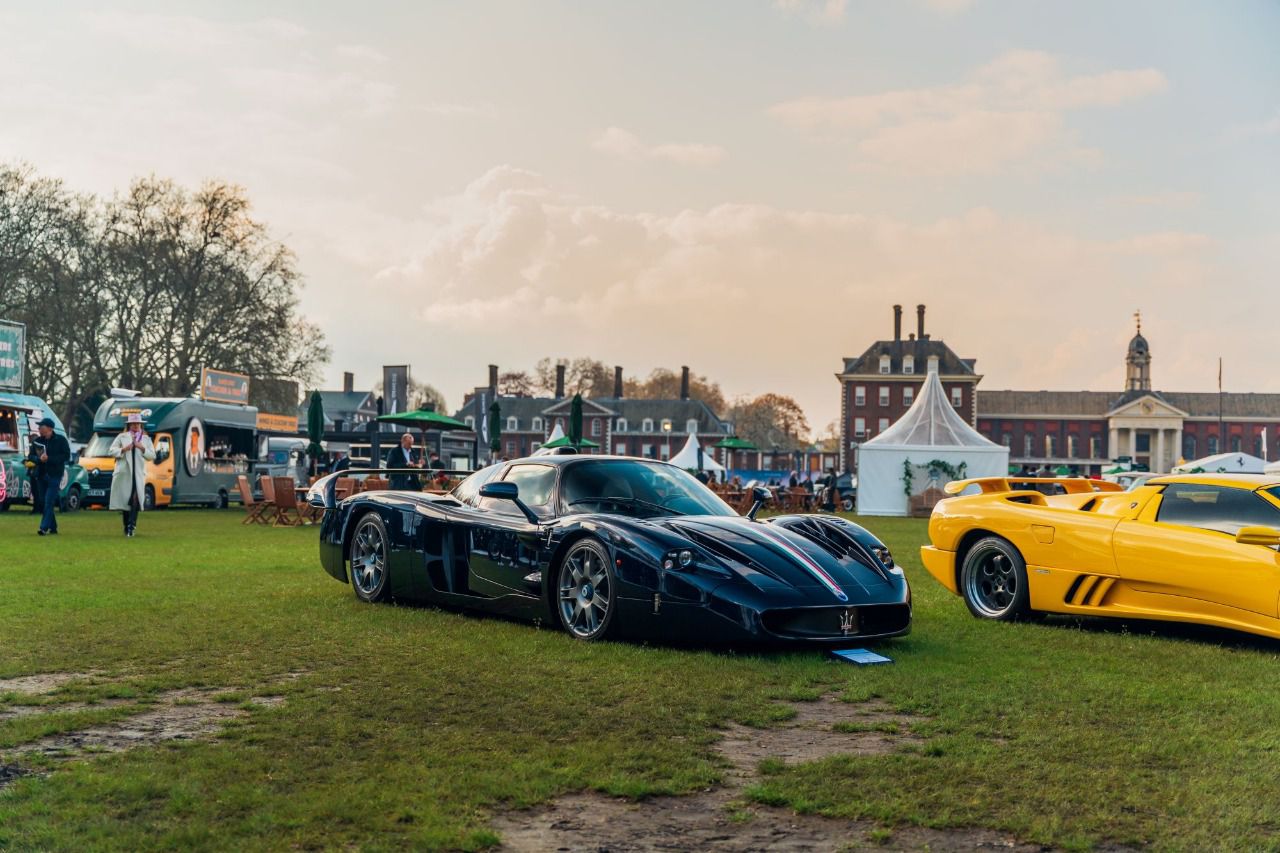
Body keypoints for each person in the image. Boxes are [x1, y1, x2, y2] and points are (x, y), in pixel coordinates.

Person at [109, 413, 155, 537]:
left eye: (138, 424)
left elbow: (152, 455)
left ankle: (131, 526)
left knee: (135, 499)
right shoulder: (122, 437)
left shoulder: (145, 439)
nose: (136, 426)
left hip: (138, 474)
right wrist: (124, 449)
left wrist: (142, 448)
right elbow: (111, 451)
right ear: (129, 425)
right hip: (125, 474)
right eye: (133, 424)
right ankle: (126, 525)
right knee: (126, 501)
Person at [35, 418, 70, 536]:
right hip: (41, 474)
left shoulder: (61, 440)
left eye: (41, 426)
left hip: (55, 475)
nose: (39, 429)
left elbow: (66, 456)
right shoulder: (37, 441)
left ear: (49, 428)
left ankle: (43, 528)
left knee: (49, 501)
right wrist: (38, 459)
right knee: (42, 501)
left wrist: (49, 459)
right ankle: (53, 527)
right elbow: (30, 455)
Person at [25, 429, 44, 515]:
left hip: (37, 472)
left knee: (37, 491)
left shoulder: (38, 446)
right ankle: (38, 508)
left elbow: (30, 457)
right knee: (36, 491)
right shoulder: (37, 446)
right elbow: (30, 456)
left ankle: (38, 508)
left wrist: (35, 460)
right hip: (35, 472)